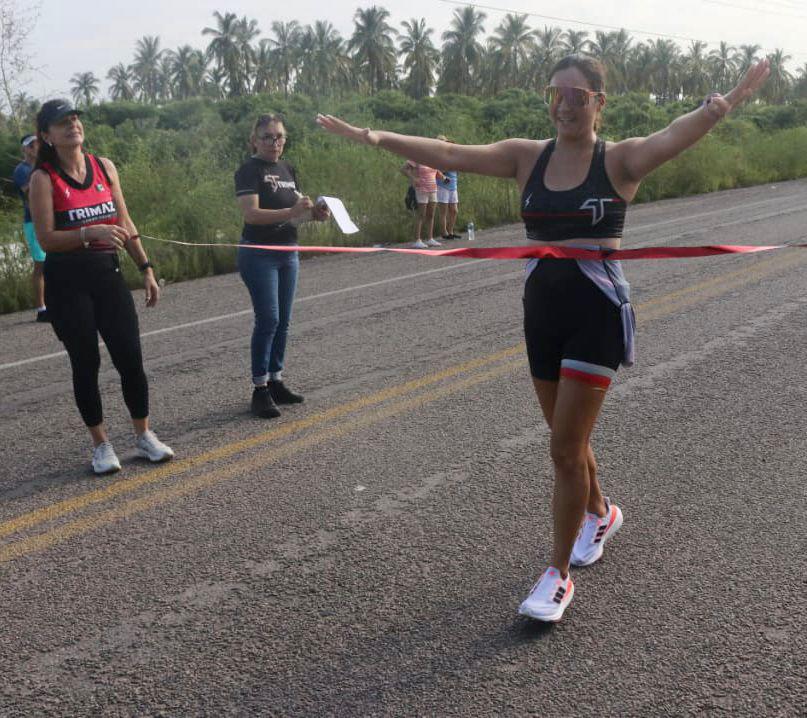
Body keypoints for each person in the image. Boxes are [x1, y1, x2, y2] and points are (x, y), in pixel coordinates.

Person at [317, 54, 769, 622]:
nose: (563, 105)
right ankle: (599, 512)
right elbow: (451, 154)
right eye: (555, 94)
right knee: (566, 436)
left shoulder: (620, 160)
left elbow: (675, 134)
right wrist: (372, 135)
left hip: (596, 314)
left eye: (576, 95)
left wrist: (723, 104)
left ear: (598, 103)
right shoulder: (526, 157)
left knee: (561, 449)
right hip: (542, 313)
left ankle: (556, 576)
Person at [28, 99, 174, 475]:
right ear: (47, 135)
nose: (72, 125)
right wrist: (87, 232)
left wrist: (145, 267)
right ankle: (101, 444)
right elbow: (46, 239)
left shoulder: (103, 167)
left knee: (130, 356)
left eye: (75, 119)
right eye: (62, 123)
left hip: (107, 275)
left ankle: (143, 435)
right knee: (86, 362)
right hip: (67, 283)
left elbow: (124, 220)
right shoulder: (44, 178)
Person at [235, 113, 330, 419]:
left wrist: (313, 214)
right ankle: (260, 389)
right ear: (254, 140)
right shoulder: (249, 170)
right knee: (268, 320)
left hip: (288, 251)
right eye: (267, 137)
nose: (274, 142)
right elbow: (251, 214)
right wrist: (290, 210)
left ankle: (276, 379)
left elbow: (293, 213)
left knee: (284, 320)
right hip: (259, 254)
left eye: (279, 137)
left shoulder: (288, 169)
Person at [12, 134, 49, 322]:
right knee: (40, 265)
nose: (35, 147)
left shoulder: (44, 166)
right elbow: (31, 193)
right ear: (25, 149)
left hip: (49, 221)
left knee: (55, 262)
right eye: (31, 145)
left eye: (37, 144)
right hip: (33, 222)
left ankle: (55, 302)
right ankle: (42, 309)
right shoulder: (22, 170)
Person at [401, 159, 443, 248]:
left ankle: (430, 239)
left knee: (431, 214)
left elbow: (436, 172)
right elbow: (403, 169)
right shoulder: (416, 157)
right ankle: (417, 240)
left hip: (433, 188)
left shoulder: (431, 158)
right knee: (421, 214)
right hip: (421, 189)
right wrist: (414, 178)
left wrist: (442, 176)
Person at [435, 135, 461, 241]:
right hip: (442, 185)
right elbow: (437, 170)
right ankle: (444, 233)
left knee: (454, 210)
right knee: (443, 211)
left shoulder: (451, 155)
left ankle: (450, 231)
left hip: (453, 185)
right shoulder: (437, 157)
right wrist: (444, 174)